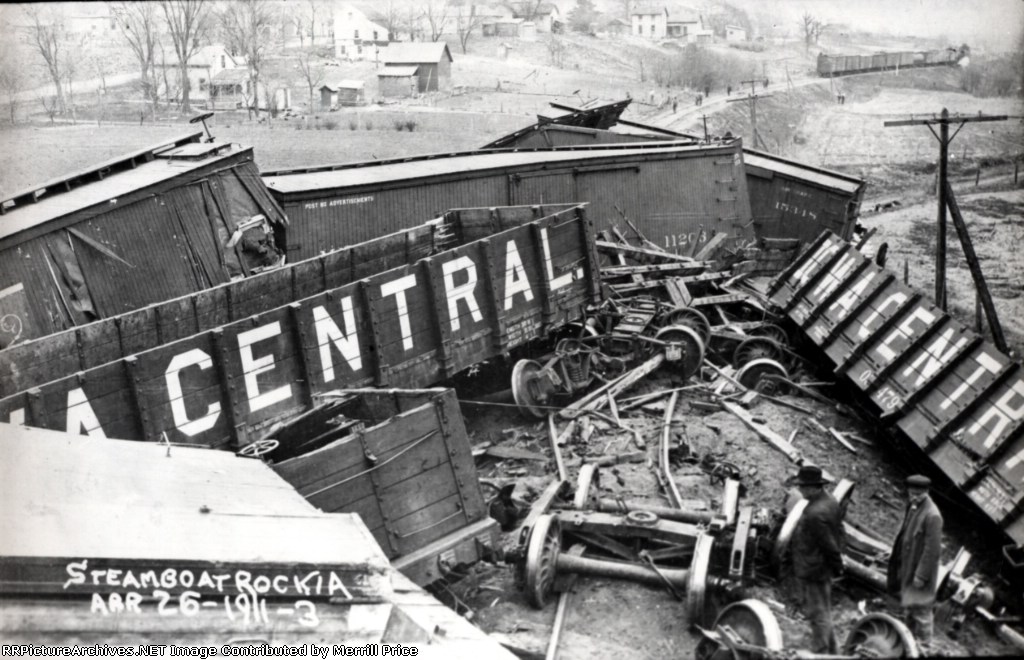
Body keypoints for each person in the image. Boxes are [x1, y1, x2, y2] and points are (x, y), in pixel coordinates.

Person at [789, 464, 845, 654]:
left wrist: (838, 567)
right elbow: (838, 532)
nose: (800, 490)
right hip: (821, 567)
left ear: (814, 487)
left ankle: (820, 652)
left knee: (818, 614)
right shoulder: (831, 501)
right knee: (824, 610)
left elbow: (828, 545)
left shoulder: (815, 514)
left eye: (802, 487)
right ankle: (833, 651)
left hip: (815, 569)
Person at [888, 474, 943, 647]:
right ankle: (909, 644)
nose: (913, 497)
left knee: (922, 610)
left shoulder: (933, 515)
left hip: (919, 572)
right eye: (911, 493)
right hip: (908, 565)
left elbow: (932, 549)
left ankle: (926, 645)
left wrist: (921, 576)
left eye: (918, 495)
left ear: (926, 492)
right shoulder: (913, 506)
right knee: (909, 606)